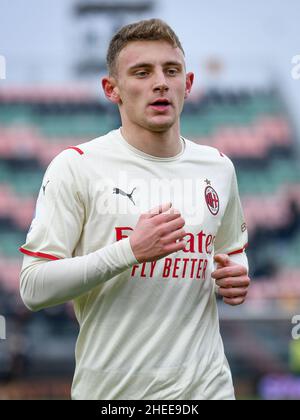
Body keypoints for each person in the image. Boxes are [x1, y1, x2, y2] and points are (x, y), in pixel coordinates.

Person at [19, 18, 250, 400]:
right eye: (141, 72)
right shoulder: (76, 166)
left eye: (170, 71)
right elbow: (33, 287)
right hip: (114, 395)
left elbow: (232, 252)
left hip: (208, 390)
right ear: (112, 89)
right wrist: (129, 251)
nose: (160, 82)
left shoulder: (219, 167)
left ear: (187, 84)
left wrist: (238, 275)